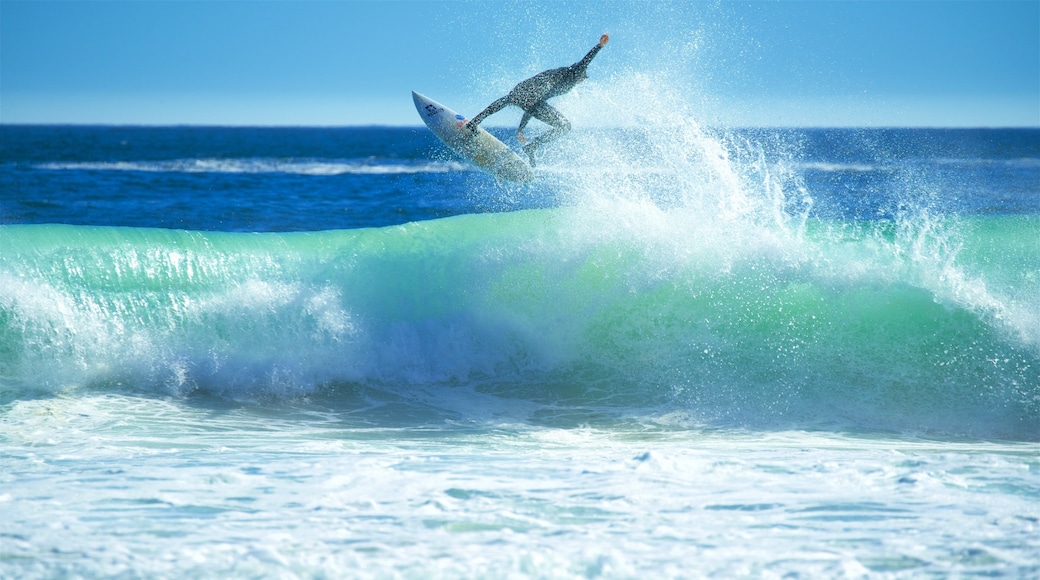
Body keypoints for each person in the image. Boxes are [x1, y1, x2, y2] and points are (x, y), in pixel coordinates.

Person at [464, 34, 609, 167]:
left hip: (528, 93)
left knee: (508, 99)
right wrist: (599, 46)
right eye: (584, 77)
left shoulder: (563, 82)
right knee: (565, 126)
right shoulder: (574, 73)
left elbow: (534, 105)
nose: (584, 80)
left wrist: (521, 128)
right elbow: (586, 61)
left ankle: (476, 122)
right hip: (529, 92)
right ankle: (531, 145)